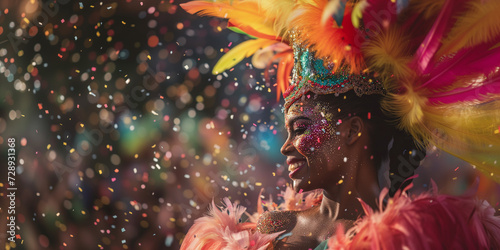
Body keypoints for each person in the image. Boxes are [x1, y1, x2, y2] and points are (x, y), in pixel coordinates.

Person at [180, 0, 500, 249]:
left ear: (352, 130)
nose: (285, 146)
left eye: (302, 127)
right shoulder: (272, 228)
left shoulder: (428, 235)